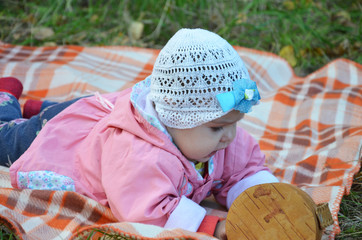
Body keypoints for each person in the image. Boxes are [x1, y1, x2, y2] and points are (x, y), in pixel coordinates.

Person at [1, 28, 279, 238]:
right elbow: (144, 212)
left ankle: (42, 107)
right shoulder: (139, 156)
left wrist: (264, 196)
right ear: (175, 119)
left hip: (99, 110)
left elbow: (244, 168)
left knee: (71, 108)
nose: (230, 136)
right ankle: (8, 102)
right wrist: (211, 226)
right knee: (9, 138)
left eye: (235, 123)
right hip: (64, 139)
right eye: (218, 127)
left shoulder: (217, 138)